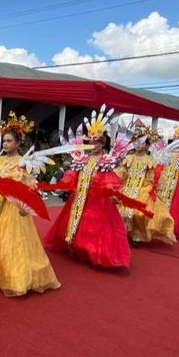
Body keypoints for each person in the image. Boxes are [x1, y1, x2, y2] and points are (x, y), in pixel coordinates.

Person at [0, 113, 61, 296]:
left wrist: (25, 208)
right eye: (4, 141)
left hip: (9, 208)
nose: (5, 144)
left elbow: (26, 188)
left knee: (7, 243)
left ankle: (12, 275)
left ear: (17, 143)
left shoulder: (22, 164)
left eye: (8, 141)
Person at [44, 106, 138, 269]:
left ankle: (92, 252)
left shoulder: (106, 160)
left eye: (96, 142)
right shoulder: (82, 158)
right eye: (90, 142)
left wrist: (112, 192)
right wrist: (64, 184)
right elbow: (73, 174)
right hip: (80, 197)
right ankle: (76, 246)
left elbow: (107, 180)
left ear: (102, 143)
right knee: (76, 221)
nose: (93, 145)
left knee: (94, 227)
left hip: (97, 200)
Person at [115, 127, 176, 246]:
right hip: (127, 187)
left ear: (147, 146)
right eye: (136, 142)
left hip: (141, 189)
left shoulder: (150, 160)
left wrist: (150, 188)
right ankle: (122, 233)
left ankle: (136, 234)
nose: (138, 145)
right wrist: (116, 176)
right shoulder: (129, 158)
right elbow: (122, 171)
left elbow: (151, 176)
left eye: (142, 143)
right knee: (120, 211)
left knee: (138, 212)